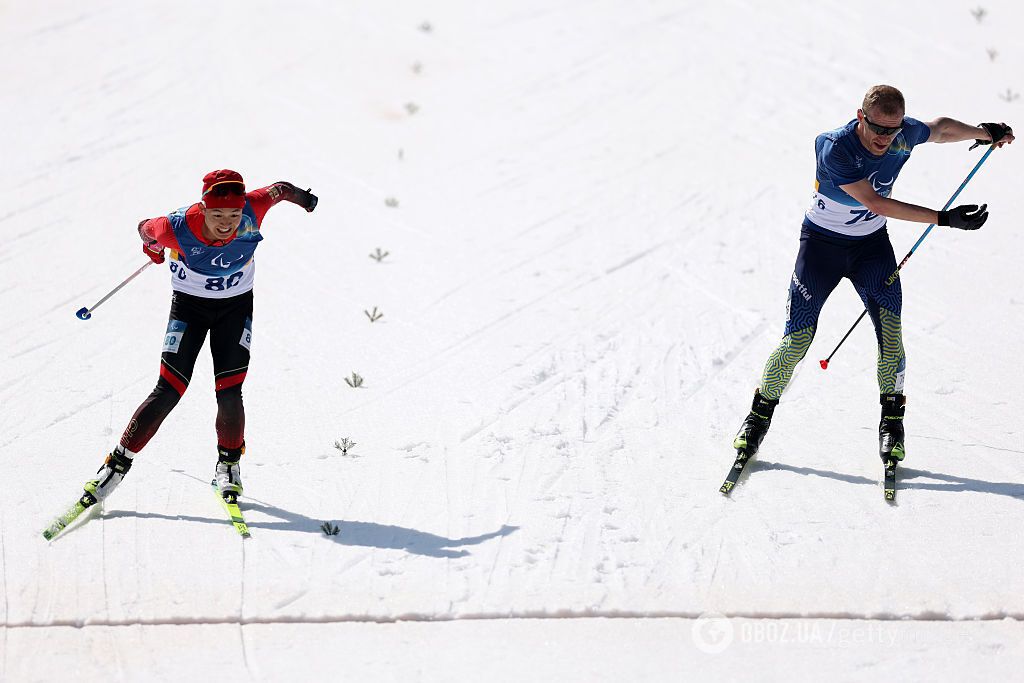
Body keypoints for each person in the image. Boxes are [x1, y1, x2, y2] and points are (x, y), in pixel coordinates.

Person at [732, 85, 1013, 468]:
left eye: (893, 130)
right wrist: (944, 218)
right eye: (878, 128)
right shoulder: (837, 148)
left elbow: (940, 129)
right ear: (861, 117)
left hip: (870, 248)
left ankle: (892, 422)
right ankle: (758, 416)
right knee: (797, 337)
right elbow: (875, 202)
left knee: (891, 332)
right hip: (821, 248)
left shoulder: (901, 133)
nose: (885, 138)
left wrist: (985, 132)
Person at [81, 170, 318, 506]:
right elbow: (145, 228)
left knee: (230, 392)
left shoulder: (254, 207)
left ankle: (229, 466)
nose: (227, 224)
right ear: (203, 208)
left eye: (234, 215)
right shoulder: (174, 228)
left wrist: (305, 200)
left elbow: (280, 190)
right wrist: (152, 247)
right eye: (218, 215)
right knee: (169, 390)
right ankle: (115, 466)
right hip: (189, 308)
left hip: (235, 307)